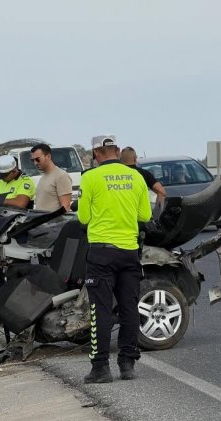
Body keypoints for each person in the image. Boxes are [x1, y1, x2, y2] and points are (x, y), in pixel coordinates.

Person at [78, 135, 151, 383]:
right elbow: (145, 215)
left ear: (96, 153)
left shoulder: (90, 177)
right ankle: (127, 364)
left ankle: (100, 368)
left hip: (101, 252)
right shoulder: (136, 176)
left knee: (100, 310)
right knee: (129, 308)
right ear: (117, 151)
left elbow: (83, 217)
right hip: (129, 251)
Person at [30, 143, 73, 212]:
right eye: (33, 160)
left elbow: (65, 207)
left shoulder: (61, 176)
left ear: (48, 156)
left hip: (54, 219)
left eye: (37, 159)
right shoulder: (44, 176)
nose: (35, 163)